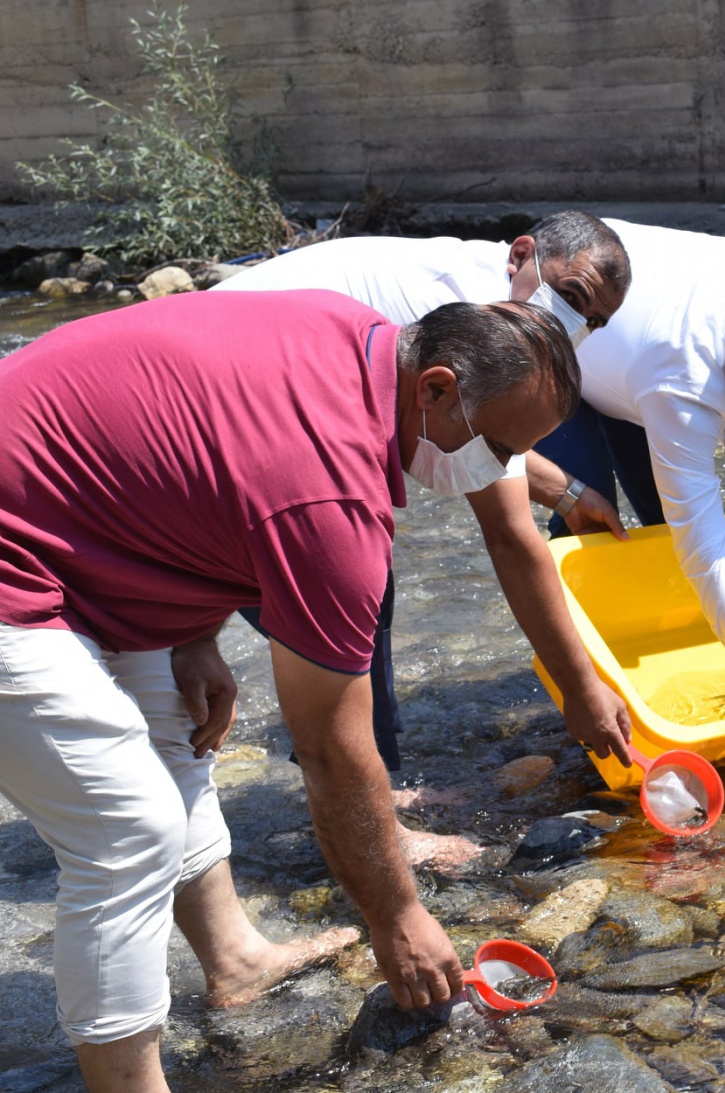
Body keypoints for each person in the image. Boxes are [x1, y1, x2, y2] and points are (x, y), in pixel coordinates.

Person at [0, 289, 578, 1092]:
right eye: (500, 445)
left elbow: (181, 446)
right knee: (127, 829)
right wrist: (397, 916)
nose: (503, 469)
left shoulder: (356, 332)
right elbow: (331, 751)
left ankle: (236, 958)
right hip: (17, 556)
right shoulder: (332, 498)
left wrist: (191, 627)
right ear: (437, 388)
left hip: (67, 514)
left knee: (175, 726)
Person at [215, 213, 636, 797]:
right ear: (521, 256)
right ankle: (366, 791)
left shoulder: (492, 316)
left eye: (593, 320)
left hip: (244, 381)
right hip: (239, 397)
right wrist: (582, 688)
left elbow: (481, 447)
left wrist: (568, 493)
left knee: (340, 586)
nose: (574, 323)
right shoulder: (474, 319)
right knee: (353, 578)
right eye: (570, 295)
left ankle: (354, 775)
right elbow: (510, 536)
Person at [531, 220, 725, 761]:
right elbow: (704, 546)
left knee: (660, 525)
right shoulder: (683, 381)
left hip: (639, 359)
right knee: (589, 524)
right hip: (565, 357)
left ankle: (680, 642)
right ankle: (591, 696)